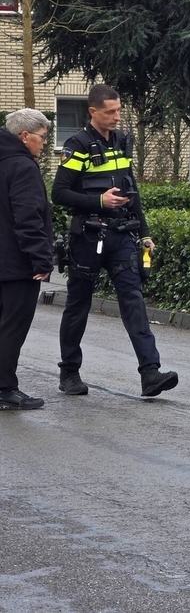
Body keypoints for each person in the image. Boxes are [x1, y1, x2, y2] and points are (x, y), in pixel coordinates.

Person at [52, 84, 178, 398]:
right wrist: (98, 202)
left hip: (121, 236)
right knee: (78, 305)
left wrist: (145, 233)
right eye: (110, 112)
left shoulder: (122, 142)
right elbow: (59, 193)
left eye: (119, 110)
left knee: (133, 300)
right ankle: (69, 372)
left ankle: (150, 372)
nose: (117, 117)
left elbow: (131, 190)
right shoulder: (77, 145)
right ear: (92, 111)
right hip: (87, 237)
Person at [0, 109, 53, 411]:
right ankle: (5, 389)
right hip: (17, 264)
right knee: (12, 327)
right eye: (42, 137)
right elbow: (28, 218)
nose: (44, 144)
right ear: (25, 136)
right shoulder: (23, 167)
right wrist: (41, 260)